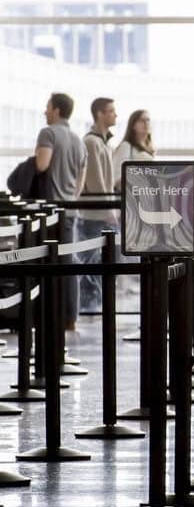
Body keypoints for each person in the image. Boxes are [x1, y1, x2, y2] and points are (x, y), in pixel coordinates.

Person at [35, 92, 86, 331]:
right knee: (69, 263)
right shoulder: (78, 140)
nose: (45, 111)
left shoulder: (48, 133)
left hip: (52, 212)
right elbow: (80, 184)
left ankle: (52, 316)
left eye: (47, 107)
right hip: (71, 210)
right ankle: (69, 317)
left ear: (56, 110)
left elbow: (42, 164)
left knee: (50, 264)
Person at [77, 97, 119, 314]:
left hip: (102, 213)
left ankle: (97, 308)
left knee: (102, 262)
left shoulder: (104, 142)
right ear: (100, 114)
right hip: (95, 215)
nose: (115, 115)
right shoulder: (92, 142)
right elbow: (96, 182)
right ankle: (90, 309)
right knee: (92, 264)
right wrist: (109, 210)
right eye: (111, 111)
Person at [112, 109, 155, 183]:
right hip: (133, 189)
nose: (146, 123)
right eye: (142, 120)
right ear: (133, 125)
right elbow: (117, 177)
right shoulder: (126, 146)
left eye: (148, 120)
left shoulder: (150, 148)